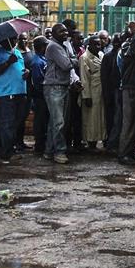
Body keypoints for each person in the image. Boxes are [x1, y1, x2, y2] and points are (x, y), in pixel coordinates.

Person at [0, 33, 27, 164]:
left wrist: (26, 72)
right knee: (7, 123)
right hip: (5, 93)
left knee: (17, 122)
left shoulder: (16, 52)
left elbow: (20, 68)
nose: (14, 41)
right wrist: (8, 62)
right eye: (11, 39)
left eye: (15, 38)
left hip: (20, 92)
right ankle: (6, 152)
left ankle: (11, 147)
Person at [44, 23, 78, 164]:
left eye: (65, 30)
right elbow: (67, 64)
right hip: (54, 87)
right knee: (59, 122)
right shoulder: (53, 47)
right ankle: (59, 151)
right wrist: (73, 60)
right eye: (61, 31)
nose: (65, 33)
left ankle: (49, 150)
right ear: (53, 34)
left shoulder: (63, 45)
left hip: (62, 86)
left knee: (55, 122)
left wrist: (72, 59)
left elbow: (72, 60)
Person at [118, 22, 135, 165]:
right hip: (130, 88)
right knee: (129, 123)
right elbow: (132, 49)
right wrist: (134, 33)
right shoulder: (127, 46)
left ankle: (131, 151)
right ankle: (123, 153)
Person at [80, 36, 105, 148]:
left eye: (99, 44)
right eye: (95, 44)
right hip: (91, 91)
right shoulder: (84, 58)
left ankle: (99, 139)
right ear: (89, 45)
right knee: (91, 118)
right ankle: (90, 142)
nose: (98, 46)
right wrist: (87, 96)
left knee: (100, 117)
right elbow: (84, 78)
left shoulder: (101, 55)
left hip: (101, 90)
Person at [100, 34, 122, 151]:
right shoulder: (108, 57)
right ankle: (110, 142)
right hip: (111, 91)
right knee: (111, 117)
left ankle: (113, 141)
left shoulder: (121, 55)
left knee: (116, 117)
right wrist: (106, 93)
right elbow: (104, 77)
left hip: (117, 90)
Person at [29, 36, 49, 154]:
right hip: (40, 96)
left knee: (44, 120)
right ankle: (39, 146)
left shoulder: (43, 59)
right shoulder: (37, 62)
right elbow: (38, 82)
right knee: (40, 121)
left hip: (43, 95)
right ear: (41, 47)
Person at [66, 29, 85, 151]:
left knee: (79, 117)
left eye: (82, 38)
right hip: (70, 87)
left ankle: (78, 142)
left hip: (80, 86)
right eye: (79, 38)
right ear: (72, 39)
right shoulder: (68, 50)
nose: (81, 41)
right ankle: (68, 143)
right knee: (69, 118)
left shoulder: (82, 51)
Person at [15, 32, 33, 152]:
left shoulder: (29, 51)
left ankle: (21, 141)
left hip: (29, 86)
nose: (23, 41)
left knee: (24, 115)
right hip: (19, 87)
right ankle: (16, 142)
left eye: (25, 39)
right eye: (21, 39)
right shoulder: (15, 52)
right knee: (18, 116)